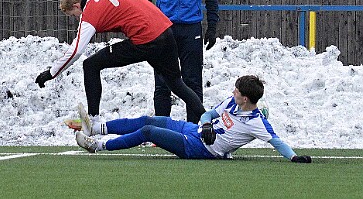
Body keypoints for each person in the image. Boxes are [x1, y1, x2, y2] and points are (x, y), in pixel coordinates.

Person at [35, 0, 206, 121]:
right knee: (177, 83)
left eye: (73, 15)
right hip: (166, 31)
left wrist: (51, 73)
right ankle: (207, 121)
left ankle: (93, 120)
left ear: (76, 6)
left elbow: (76, 51)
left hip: (145, 41)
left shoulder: (89, 14)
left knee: (90, 65)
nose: (76, 17)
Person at [75, 75, 312, 163]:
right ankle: (97, 127)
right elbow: (208, 113)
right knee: (153, 119)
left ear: (246, 98)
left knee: (149, 131)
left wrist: (294, 157)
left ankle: (98, 146)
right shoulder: (232, 103)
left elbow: (276, 141)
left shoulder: (257, 122)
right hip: (194, 130)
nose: (233, 93)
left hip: (201, 148)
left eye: (237, 92)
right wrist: (207, 123)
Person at [142, 0, 219, 123]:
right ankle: (162, 129)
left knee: (193, 81)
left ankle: (194, 129)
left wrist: (212, 27)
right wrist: (146, 29)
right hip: (163, 30)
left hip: (191, 29)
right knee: (162, 82)